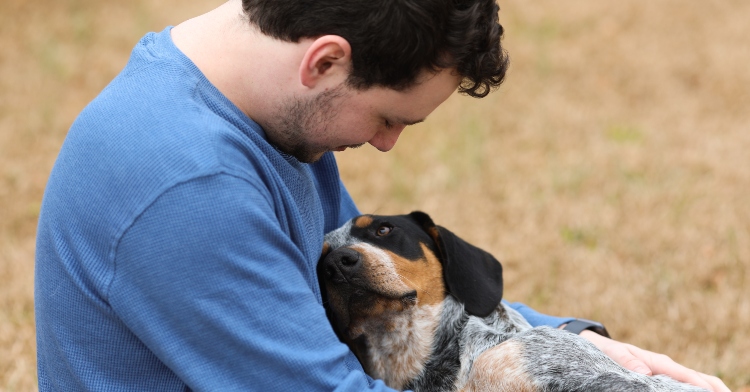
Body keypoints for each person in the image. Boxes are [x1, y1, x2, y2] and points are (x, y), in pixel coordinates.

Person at [34, 0, 728, 390]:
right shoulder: (188, 187)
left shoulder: (263, 118)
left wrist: (574, 346)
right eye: (391, 117)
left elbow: (401, 301)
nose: (388, 143)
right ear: (326, 60)